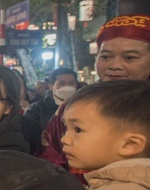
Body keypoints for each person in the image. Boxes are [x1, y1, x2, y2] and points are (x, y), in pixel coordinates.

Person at [38, 15, 150, 177]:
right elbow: (49, 158)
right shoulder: (77, 105)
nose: (115, 65)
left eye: (129, 57)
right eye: (106, 56)